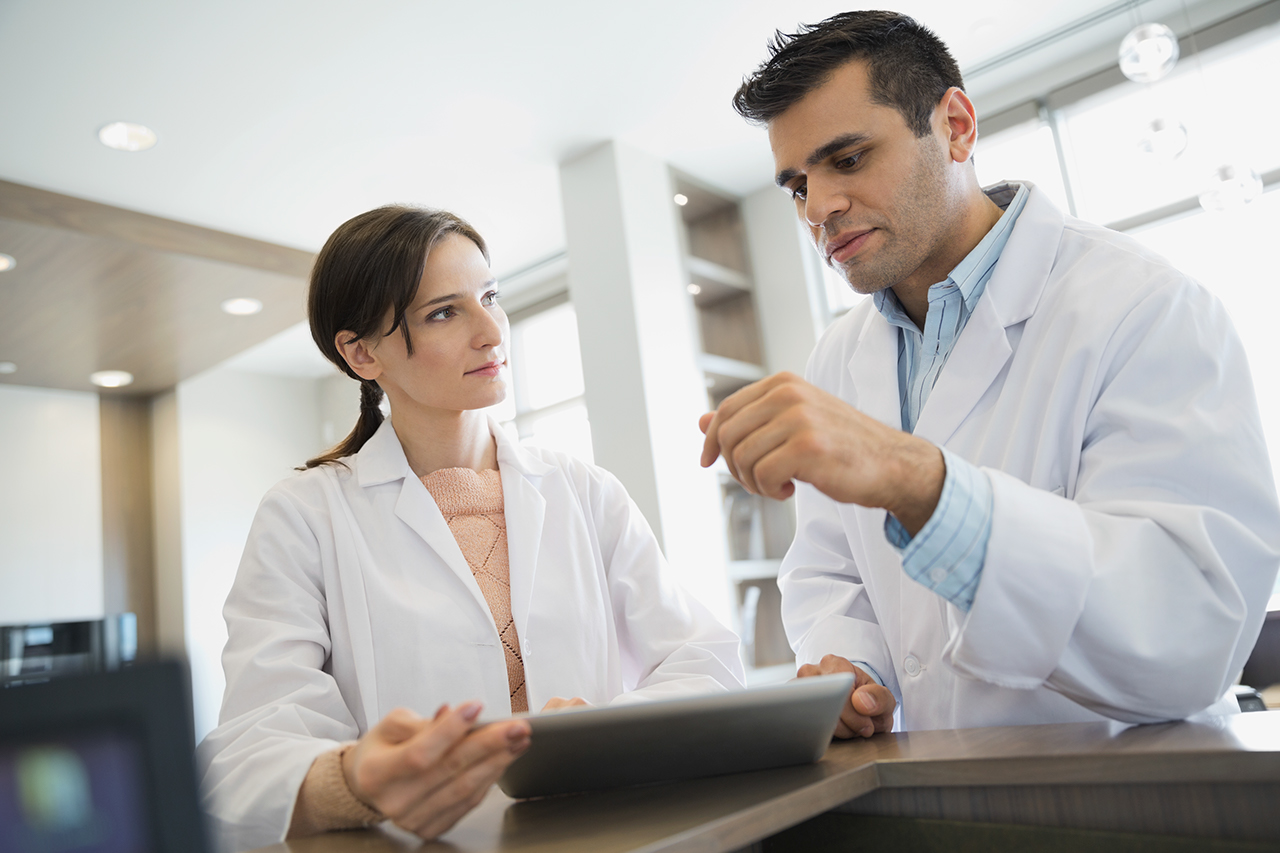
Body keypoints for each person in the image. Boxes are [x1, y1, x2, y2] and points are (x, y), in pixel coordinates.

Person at [700, 10, 1280, 740]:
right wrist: (852, 665)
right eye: (796, 184)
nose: (819, 208)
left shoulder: (1146, 306)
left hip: (1134, 791)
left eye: (847, 160)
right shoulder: (839, 357)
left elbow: (1193, 629)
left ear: (956, 126)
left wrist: (922, 484)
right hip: (934, 787)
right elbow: (830, 569)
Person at [198, 206, 744, 850]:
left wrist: (603, 731)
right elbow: (245, 750)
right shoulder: (305, 515)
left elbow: (704, 661)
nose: (491, 332)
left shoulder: (584, 490)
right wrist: (352, 779)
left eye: (490, 297)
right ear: (361, 351)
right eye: (443, 312)